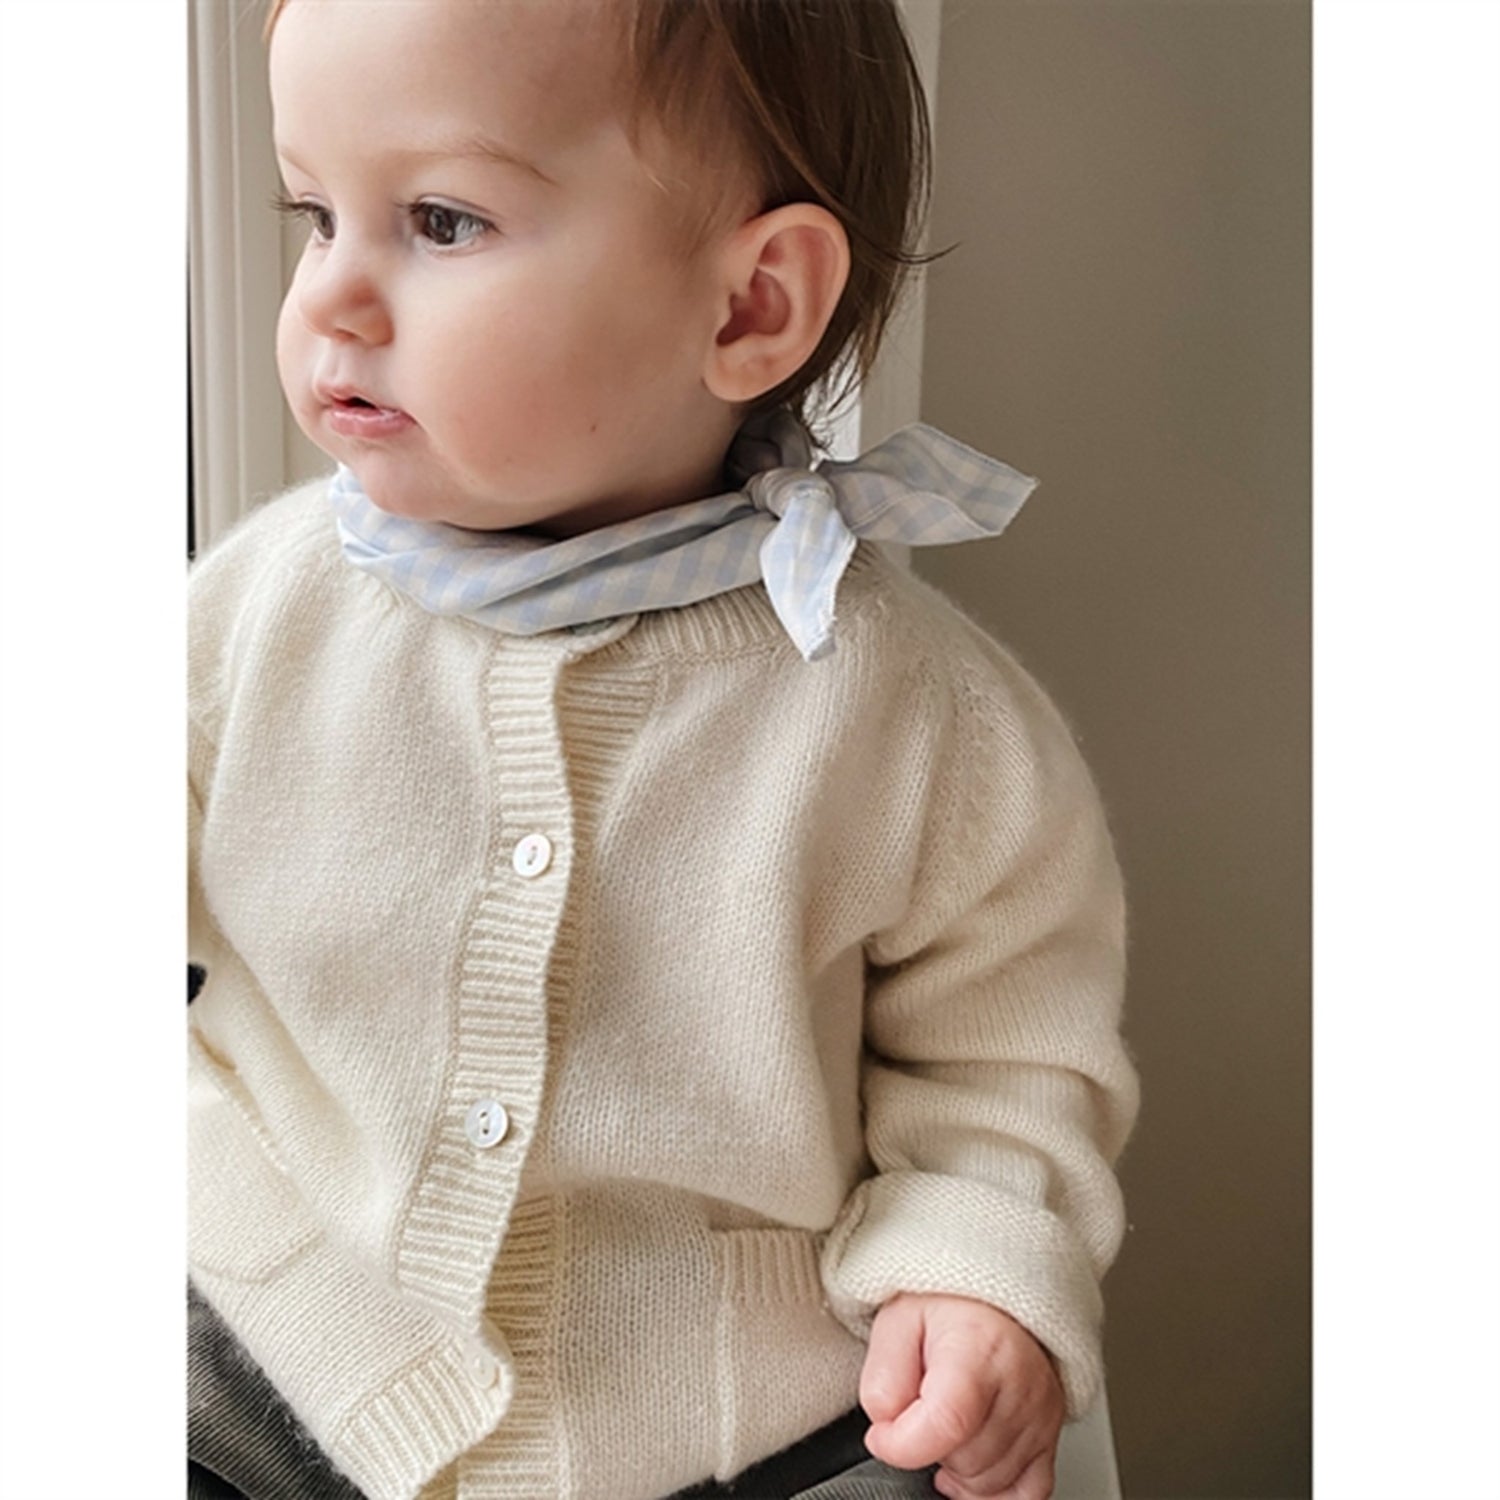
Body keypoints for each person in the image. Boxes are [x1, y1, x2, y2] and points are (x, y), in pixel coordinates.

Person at [187, 2, 1139, 1498]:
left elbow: (1008, 1054)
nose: (332, 304)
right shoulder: (257, 609)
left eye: (441, 221)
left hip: (719, 1416)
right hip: (266, 1327)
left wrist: (972, 1267)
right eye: (316, 216)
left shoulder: (910, 712)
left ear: (752, 305)